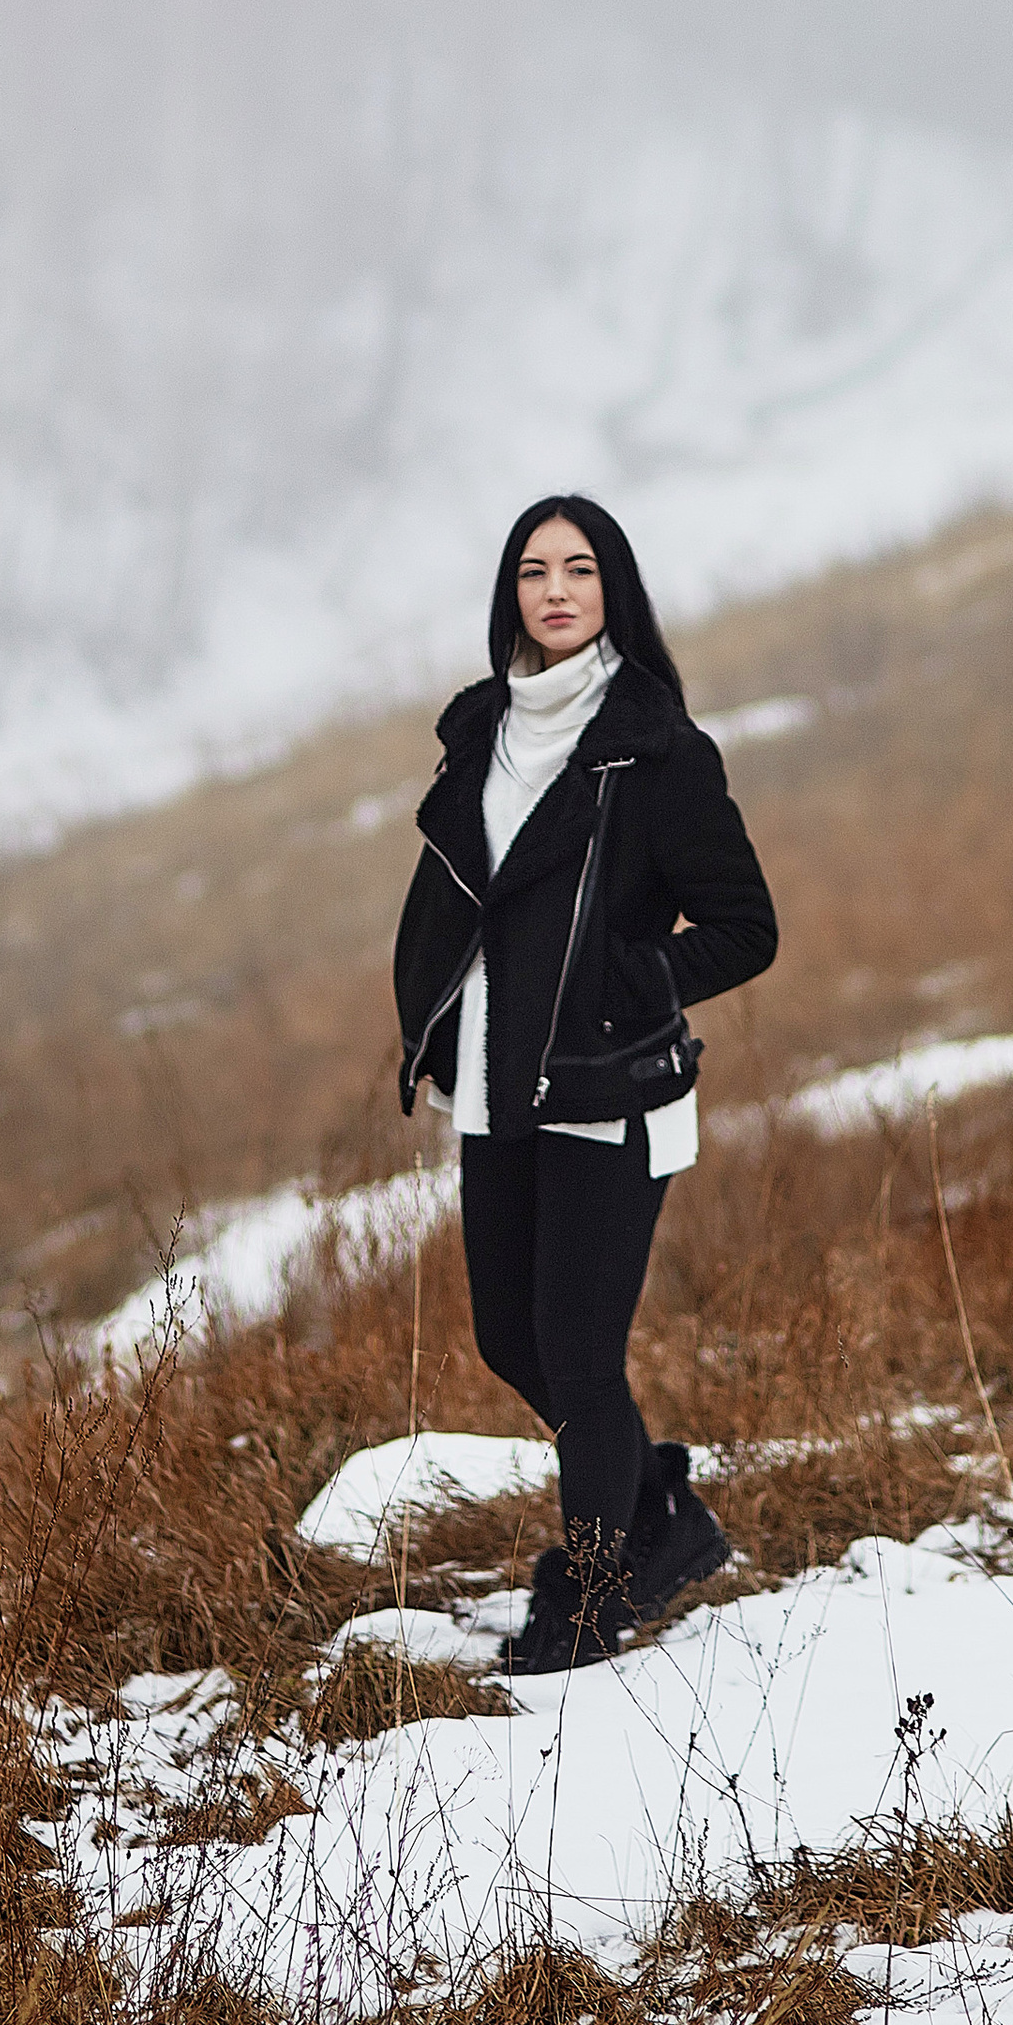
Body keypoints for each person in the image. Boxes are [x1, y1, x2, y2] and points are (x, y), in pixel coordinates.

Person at [392, 494, 778, 1675]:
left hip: (614, 1089)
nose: (554, 590)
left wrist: (631, 977)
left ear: (614, 589)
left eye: (579, 568)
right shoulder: (483, 739)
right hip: (497, 1085)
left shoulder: (657, 749)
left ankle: (595, 1592)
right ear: (509, 596)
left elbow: (744, 927)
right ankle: (659, 1522)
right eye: (531, 571)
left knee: (577, 1346)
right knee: (510, 1335)